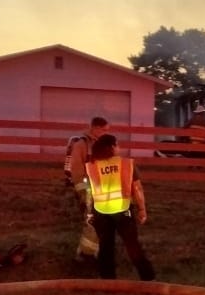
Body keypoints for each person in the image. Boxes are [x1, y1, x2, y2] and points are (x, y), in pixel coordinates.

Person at [85, 133, 156, 281]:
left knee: (105, 247)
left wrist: (90, 212)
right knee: (132, 245)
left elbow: (90, 190)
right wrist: (142, 209)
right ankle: (148, 278)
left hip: (100, 211)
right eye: (118, 145)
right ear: (112, 147)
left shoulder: (93, 165)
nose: (119, 148)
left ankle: (108, 281)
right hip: (123, 210)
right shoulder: (126, 164)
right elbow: (137, 188)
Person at [64, 116, 109, 262]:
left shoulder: (101, 144)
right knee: (92, 219)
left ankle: (92, 251)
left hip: (100, 188)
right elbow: (76, 169)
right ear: (95, 128)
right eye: (104, 130)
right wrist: (83, 191)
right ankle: (86, 254)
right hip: (88, 187)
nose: (106, 133)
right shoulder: (82, 144)